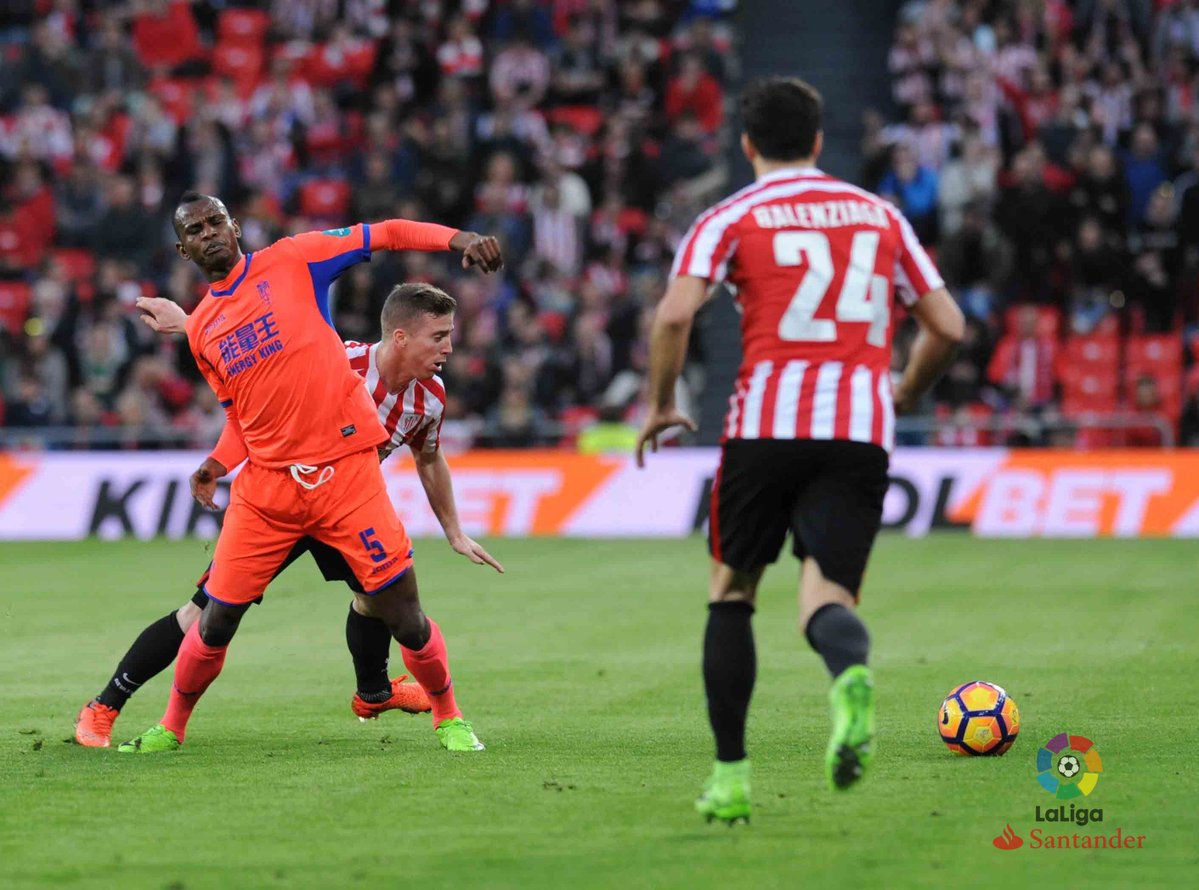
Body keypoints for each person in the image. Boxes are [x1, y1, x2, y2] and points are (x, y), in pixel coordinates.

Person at [635, 78, 964, 823]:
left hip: (764, 425)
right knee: (826, 597)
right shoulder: (878, 215)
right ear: (817, 141)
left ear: (746, 145)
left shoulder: (728, 216)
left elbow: (674, 314)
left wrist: (660, 404)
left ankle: (730, 778)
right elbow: (945, 326)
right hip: (857, 428)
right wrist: (903, 393)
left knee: (732, 591)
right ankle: (847, 672)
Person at [116, 192, 503, 754]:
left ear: (236, 225)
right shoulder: (202, 330)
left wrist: (459, 239)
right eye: (195, 230)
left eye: (216, 221)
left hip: (345, 477)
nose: (209, 233)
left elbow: (387, 228)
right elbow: (239, 416)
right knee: (214, 617)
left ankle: (447, 717)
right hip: (270, 488)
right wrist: (218, 463)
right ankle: (168, 727)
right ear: (184, 249)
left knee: (404, 613)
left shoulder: (295, 258)